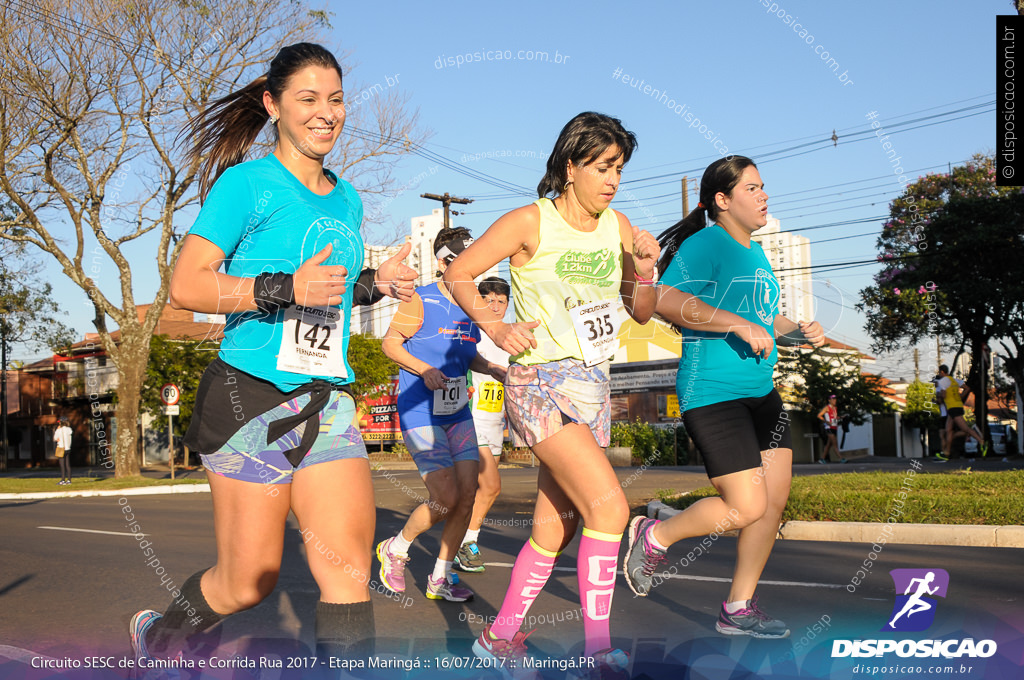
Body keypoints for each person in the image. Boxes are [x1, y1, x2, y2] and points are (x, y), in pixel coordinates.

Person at [128, 42, 416, 665]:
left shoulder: (348, 198)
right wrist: (282, 288)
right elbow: (189, 284)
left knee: (345, 572)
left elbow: (325, 295)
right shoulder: (247, 184)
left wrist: (375, 283)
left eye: (336, 100)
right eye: (308, 99)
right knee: (248, 581)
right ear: (273, 104)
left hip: (325, 399)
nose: (326, 113)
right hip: (248, 395)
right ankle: (161, 640)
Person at [443, 111, 660, 676]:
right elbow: (460, 273)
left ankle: (499, 638)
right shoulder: (528, 222)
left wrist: (644, 269)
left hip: (593, 383)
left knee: (556, 526)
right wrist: (493, 326)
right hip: (538, 381)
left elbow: (638, 311)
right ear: (571, 166)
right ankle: (598, 653)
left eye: (620, 169)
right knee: (610, 507)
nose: (613, 179)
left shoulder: (618, 226)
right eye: (603, 166)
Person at [623, 155, 825, 639]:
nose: (764, 196)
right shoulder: (706, 243)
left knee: (772, 504)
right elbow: (667, 302)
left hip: (761, 392)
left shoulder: (755, 252)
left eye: (763, 188)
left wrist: (798, 331)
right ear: (723, 199)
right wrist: (733, 323)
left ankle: (737, 607)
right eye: (752, 188)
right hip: (713, 393)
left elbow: (762, 317)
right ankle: (655, 535)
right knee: (745, 507)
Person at [376, 227, 507, 603]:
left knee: (469, 494)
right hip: (421, 411)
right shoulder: (420, 300)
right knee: (445, 496)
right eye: (460, 261)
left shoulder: (471, 308)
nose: (470, 270)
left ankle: (440, 577)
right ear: (442, 262)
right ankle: (396, 549)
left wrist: (491, 369)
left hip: (457, 412)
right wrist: (424, 369)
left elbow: (469, 357)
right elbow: (390, 344)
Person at [454, 276, 512, 573]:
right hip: (469, 419)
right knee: (491, 486)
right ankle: (468, 544)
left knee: (475, 491)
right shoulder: (470, 333)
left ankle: (456, 544)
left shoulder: (510, 340)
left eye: (501, 301)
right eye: (489, 299)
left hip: (494, 423)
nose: (495, 306)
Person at [936, 364, 985, 459]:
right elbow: (967, 388)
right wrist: (960, 397)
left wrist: (938, 396)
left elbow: (944, 396)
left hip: (953, 407)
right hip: (955, 406)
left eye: (939, 372)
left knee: (965, 428)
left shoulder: (942, 382)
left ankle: (981, 441)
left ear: (942, 372)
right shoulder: (953, 380)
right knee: (948, 430)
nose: (939, 374)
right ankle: (946, 453)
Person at [816, 395, 846, 464]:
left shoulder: (835, 408)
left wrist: (841, 417)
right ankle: (841, 458)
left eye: (835, 399)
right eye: (833, 399)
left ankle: (822, 459)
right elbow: (819, 415)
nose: (834, 400)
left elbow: (834, 417)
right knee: (835, 444)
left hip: (834, 427)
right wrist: (826, 422)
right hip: (829, 428)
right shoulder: (827, 408)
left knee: (828, 445)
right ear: (829, 400)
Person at [53, 417, 73, 486]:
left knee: (62, 465)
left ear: (61, 422)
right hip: (68, 448)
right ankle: (69, 480)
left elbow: (55, 438)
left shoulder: (59, 430)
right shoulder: (69, 429)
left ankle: (63, 480)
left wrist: (57, 430)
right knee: (68, 465)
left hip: (61, 448)